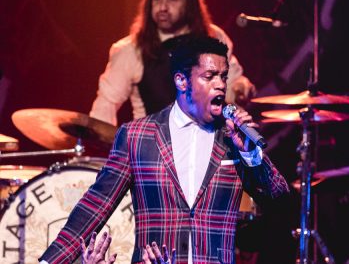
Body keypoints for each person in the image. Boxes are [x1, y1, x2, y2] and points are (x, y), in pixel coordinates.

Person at [39, 36, 288, 264]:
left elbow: (279, 201)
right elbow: (94, 206)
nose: (220, 85)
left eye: (223, 77)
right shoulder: (138, 137)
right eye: (209, 76)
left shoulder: (232, 138)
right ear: (181, 80)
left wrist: (250, 154)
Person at [89, 0, 255, 126]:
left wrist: (241, 88)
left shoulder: (213, 37)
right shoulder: (130, 50)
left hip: (209, 148)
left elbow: (232, 85)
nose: (163, 7)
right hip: (156, 152)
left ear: (188, 4)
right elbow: (105, 108)